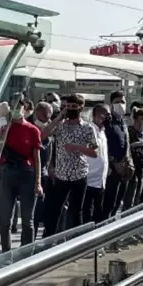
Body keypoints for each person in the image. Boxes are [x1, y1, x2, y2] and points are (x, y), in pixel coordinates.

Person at [43, 94, 98, 237]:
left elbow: (94, 152)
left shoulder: (87, 128)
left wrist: (77, 147)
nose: (70, 110)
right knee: (54, 210)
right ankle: (48, 242)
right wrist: (59, 117)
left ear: (81, 108)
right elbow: (43, 135)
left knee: (76, 211)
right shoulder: (60, 126)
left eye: (74, 107)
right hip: (61, 174)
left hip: (78, 173)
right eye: (68, 107)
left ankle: (75, 241)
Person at [0, 94, 43, 252]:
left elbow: (37, 158)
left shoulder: (32, 130)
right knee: (5, 220)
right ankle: (5, 251)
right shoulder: (5, 128)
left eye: (20, 106)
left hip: (26, 173)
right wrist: (7, 126)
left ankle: (26, 251)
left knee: (27, 219)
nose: (17, 110)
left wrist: (38, 182)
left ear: (25, 108)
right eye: (14, 106)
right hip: (7, 171)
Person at [102, 91, 133, 220]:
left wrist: (128, 161)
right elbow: (104, 145)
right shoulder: (108, 122)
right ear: (111, 104)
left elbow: (126, 144)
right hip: (111, 170)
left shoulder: (123, 123)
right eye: (117, 102)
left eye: (123, 102)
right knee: (108, 204)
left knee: (118, 203)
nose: (120, 104)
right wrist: (114, 162)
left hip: (124, 169)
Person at [27, 102, 53, 238]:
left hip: (44, 172)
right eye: (44, 117)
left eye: (49, 118)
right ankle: (28, 242)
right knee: (32, 212)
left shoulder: (49, 126)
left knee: (41, 210)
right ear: (36, 113)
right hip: (29, 172)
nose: (47, 120)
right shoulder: (28, 125)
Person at [83, 104, 109, 224]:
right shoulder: (89, 129)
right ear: (97, 115)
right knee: (86, 212)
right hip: (89, 179)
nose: (108, 117)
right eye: (106, 114)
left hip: (101, 181)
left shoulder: (103, 131)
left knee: (98, 213)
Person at [124, 107, 143, 212]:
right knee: (130, 197)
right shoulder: (129, 131)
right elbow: (125, 148)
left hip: (140, 169)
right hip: (132, 168)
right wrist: (135, 145)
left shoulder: (141, 134)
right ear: (139, 118)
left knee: (137, 197)